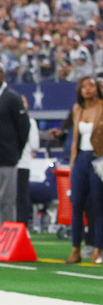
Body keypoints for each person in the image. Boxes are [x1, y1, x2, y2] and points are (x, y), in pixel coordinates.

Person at [66, 77, 103, 265]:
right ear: (79, 91)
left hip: (101, 159)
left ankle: (98, 249)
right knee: (76, 205)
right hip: (81, 159)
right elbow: (74, 140)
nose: (87, 89)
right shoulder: (78, 109)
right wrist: (72, 165)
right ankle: (75, 250)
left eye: (91, 85)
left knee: (98, 205)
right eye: (83, 87)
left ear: (97, 88)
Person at [0, 69, 30, 225]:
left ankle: (5, 242)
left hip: (6, 158)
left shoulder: (12, 98)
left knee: (6, 201)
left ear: (3, 75)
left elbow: (24, 128)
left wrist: (14, 151)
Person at [16, 96, 39, 227]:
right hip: (22, 163)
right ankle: (22, 226)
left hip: (12, 163)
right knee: (22, 196)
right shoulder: (30, 122)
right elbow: (34, 145)